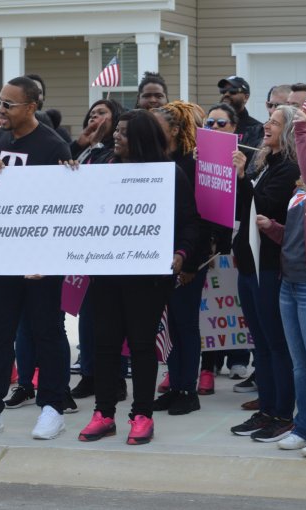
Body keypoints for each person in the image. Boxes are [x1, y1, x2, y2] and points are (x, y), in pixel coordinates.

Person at [77, 109, 199, 445]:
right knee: (105, 345)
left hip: (148, 278)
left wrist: (181, 254)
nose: (116, 136)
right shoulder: (103, 169)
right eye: (116, 131)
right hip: (106, 273)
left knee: (142, 346)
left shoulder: (169, 174)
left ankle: (142, 415)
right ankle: (104, 414)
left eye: (123, 132)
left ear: (142, 138)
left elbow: (190, 222)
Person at [0, 76, 73, 441]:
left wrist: (50, 257)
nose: (0, 109)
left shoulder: (54, 145)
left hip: (41, 259)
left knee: (47, 330)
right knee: (1, 331)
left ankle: (52, 407)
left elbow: (64, 203)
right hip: (2, 254)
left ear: (31, 107)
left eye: (8, 104)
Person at [258, 108, 306, 458]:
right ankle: (305, 427)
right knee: (301, 364)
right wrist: (273, 229)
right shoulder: (302, 188)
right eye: (305, 139)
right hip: (290, 282)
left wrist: (300, 126)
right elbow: (297, 235)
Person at [229, 105, 299, 442]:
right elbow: (243, 208)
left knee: (275, 344)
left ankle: (283, 414)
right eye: (268, 121)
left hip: (268, 266)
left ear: (289, 132)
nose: (267, 126)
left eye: (275, 122)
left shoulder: (289, 168)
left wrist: (243, 178)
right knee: (261, 344)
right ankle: (267, 409)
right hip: (248, 264)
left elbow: (266, 207)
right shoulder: (267, 164)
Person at [151, 101, 211, 415]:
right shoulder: (156, 161)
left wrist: (190, 263)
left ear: (174, 130)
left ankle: (188, 389)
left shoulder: (190, 164)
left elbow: (198, 218)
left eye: (157, 126)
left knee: (185, 324)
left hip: (186, 259)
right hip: (160, 259)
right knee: (170, 326)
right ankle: (175, 385)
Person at [186, 103, 250, 396]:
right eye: (209, 123)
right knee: (203, 308)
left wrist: (240, 174)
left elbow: (249, 202)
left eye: (221, 123)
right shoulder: (196, 156)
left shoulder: (244, 159)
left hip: (232, 242)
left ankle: (219, 365)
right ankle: (200, 369)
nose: (213, 128)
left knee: (224, 309)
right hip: (204, 241)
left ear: (234, 128)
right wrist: (194, 165)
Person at [67, 99, 127, 401]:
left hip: (112, 245)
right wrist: (80, 145)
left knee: (112, 319)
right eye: (91, 114)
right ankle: (89, 374)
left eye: (102, 113)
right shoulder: (84, 150)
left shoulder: (118, 154)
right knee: (88, 316)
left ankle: (116, 378)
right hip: (84, 244)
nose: (95, 118)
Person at [217, 75, 264, 149]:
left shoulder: (257, 129)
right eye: (223, 91)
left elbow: (256, 155)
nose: (226, 94)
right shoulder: (212, 124)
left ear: (246, 97)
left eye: (233, 91)